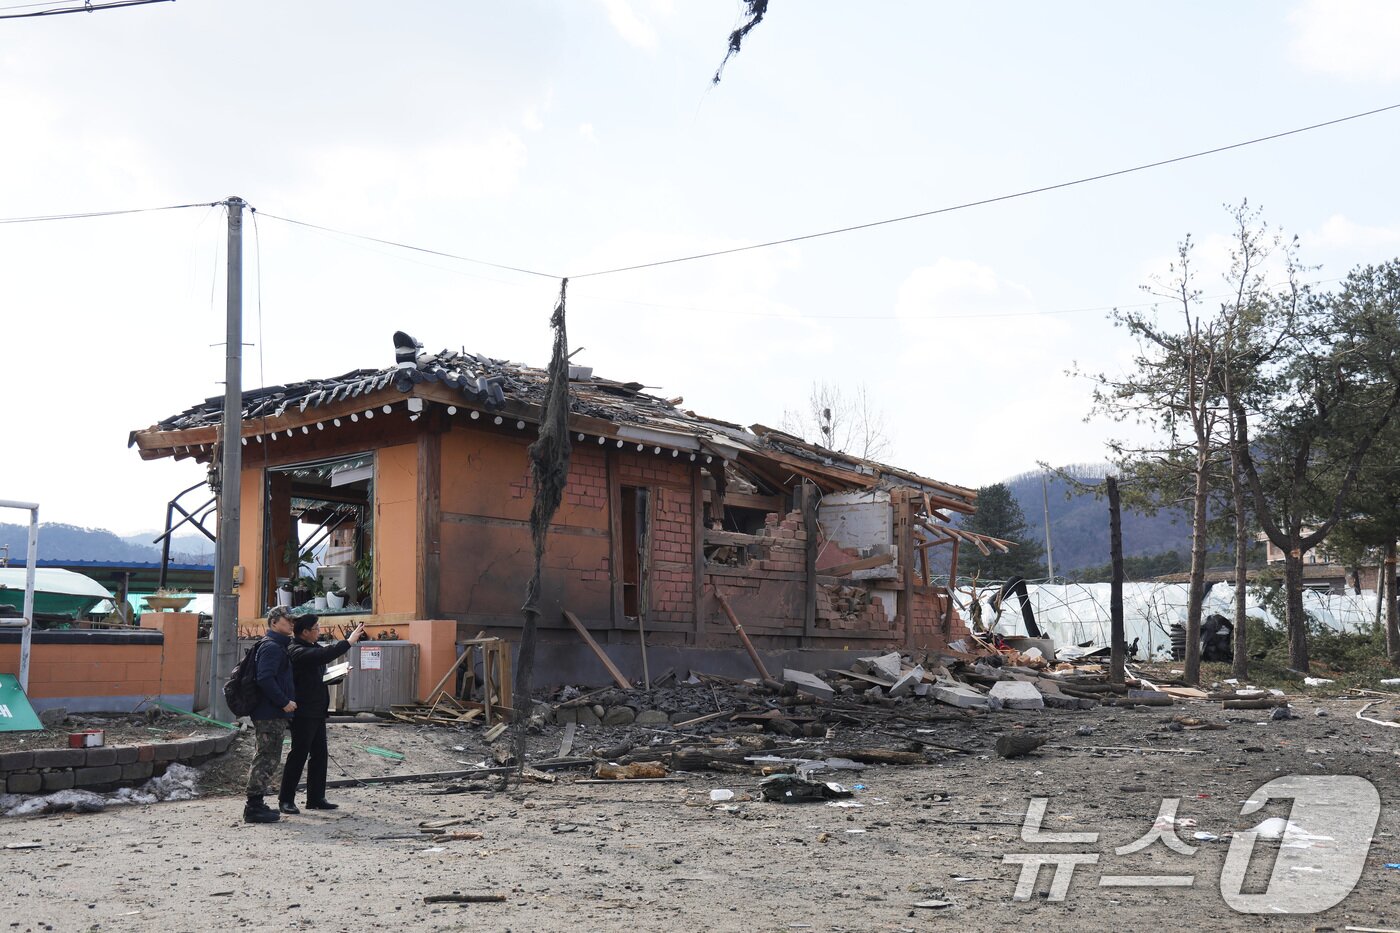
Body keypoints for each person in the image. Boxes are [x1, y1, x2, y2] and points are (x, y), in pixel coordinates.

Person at [278, 617, 366, 813]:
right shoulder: (295, 650)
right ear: (305, 632)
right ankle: (286, 799)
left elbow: (319, 674)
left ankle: (316, 798)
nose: (319, 631)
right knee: (299, 755)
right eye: (316, 628)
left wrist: (337, 675)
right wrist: (348, 642)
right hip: (303, 711)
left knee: (319, 755)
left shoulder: (312, 647)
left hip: (317, 710)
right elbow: (322, 655)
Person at [244, 607, 298, 824]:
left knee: (268, 756)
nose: (292, 624)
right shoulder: (272, 647)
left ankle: (257, 804)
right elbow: (265, 678)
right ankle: (254, 807)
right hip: (269, 712)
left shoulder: (276, 645)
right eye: (288, 620)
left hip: (270, 711)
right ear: (274, 622)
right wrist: (283, 701)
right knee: (266, 757)